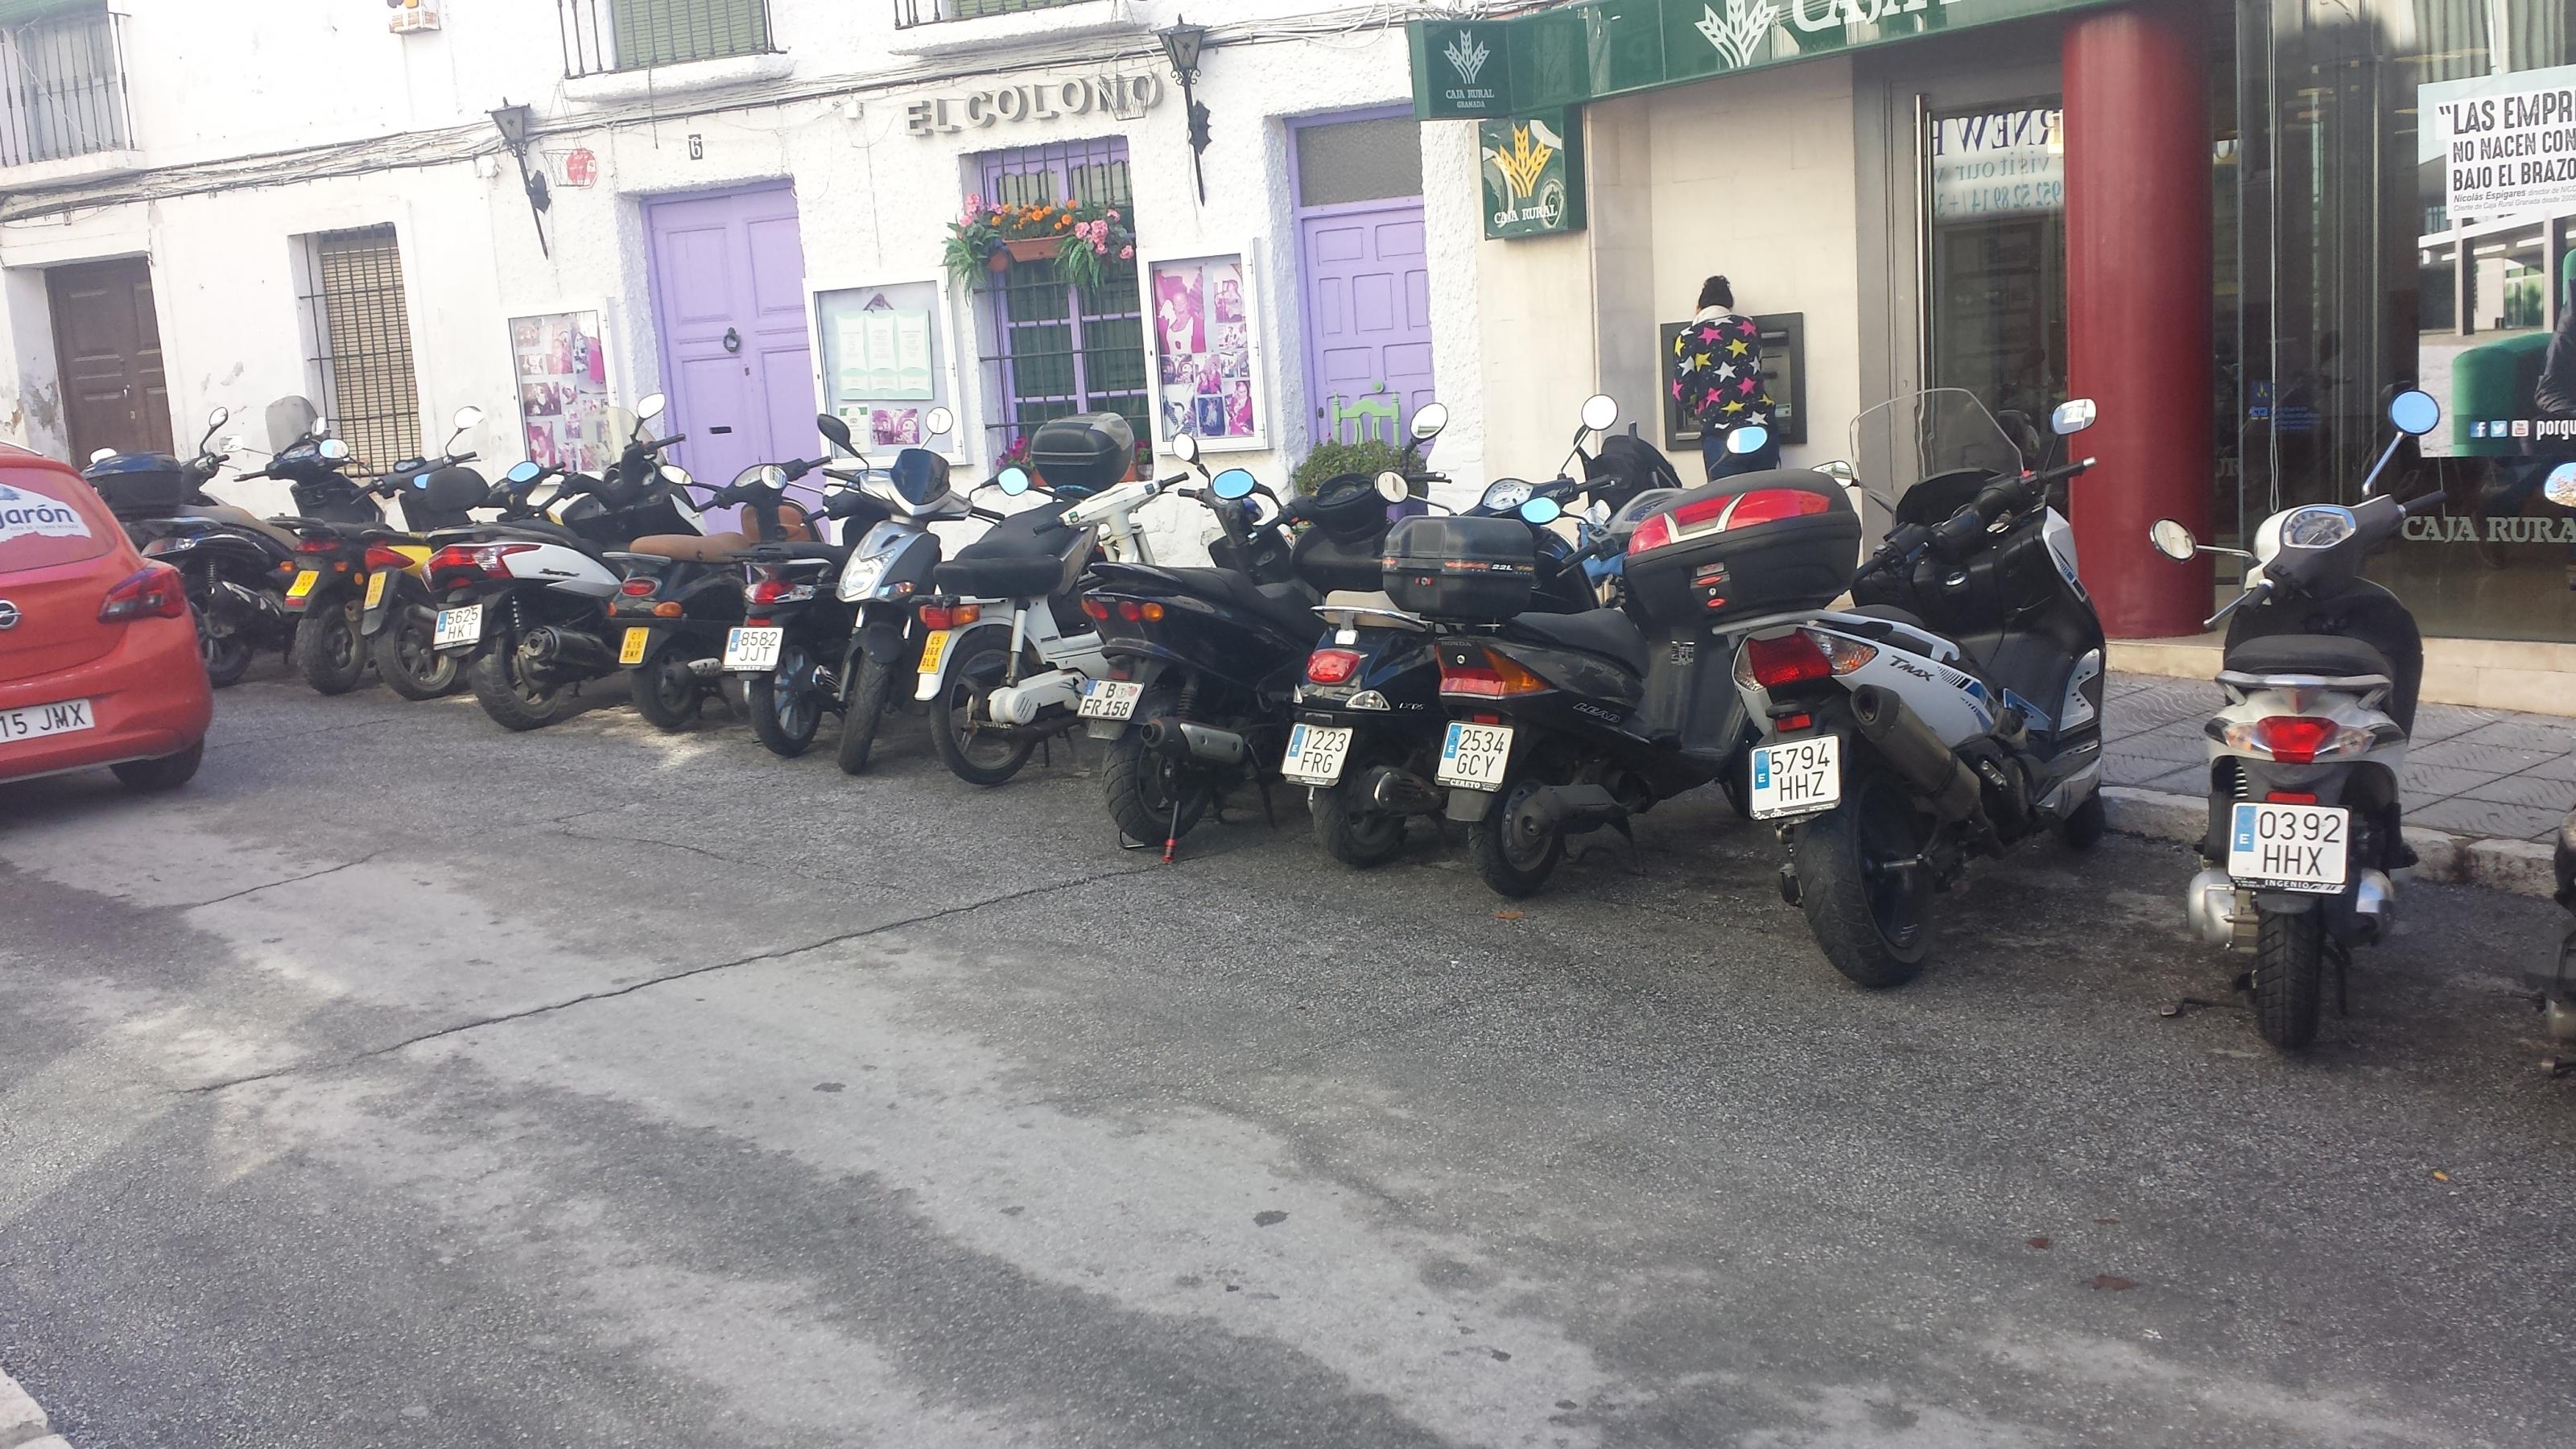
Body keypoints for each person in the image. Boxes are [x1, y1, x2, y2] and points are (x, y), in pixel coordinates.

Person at [1672, 275, 1779, 479]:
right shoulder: (1748, 327)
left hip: (1720, 432)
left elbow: (1681, 392)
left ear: (1698, 308)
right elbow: (1758, 365)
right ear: (1729, 307)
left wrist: (1696, 411)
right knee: (1764, 495)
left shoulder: (1688, 337)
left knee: (1725, 497)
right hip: (1763, 428)